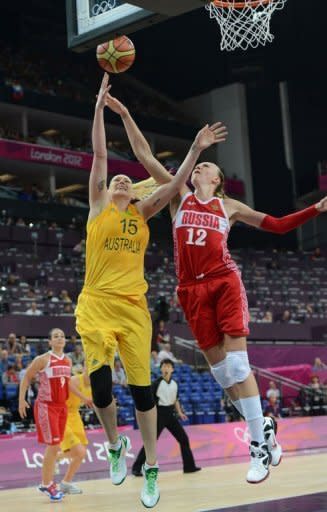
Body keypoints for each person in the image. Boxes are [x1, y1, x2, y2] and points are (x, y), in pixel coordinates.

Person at [105, 89, 327, 484]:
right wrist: (123, 113)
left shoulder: (229, 207)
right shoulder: (180, 197)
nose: (198, 168)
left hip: (224, 281)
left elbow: (275, 225)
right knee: (224, 376)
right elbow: (144, 155)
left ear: (217, 179)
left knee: (239, 364)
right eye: (198, 163)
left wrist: (315, 210)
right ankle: (266, 429)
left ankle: (258, 446)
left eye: (205, 165)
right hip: (190, 290)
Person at [74, 73, 223, 508]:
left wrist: (195, 151)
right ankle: (115, 444)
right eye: (115, 179)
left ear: (135, 192)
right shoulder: (98, 204)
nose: (121, 180)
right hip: (96, 304)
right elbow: (101, 153)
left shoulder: (143, 211)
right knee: (101, 387)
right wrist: (100, 106)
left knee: (142, 394)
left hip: (134, 309)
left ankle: (152, 468)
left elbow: (175, 184)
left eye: (126, 180)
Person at [18, 328, 71, 502]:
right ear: (49, 342)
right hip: (46, 407)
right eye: (56, 336)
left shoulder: (68, 360)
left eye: (62, 336)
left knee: (56, 447)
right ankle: (47, 483)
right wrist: (21, 400)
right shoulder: (42, 360)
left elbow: (66, 385)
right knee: (54, 446)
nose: (60, 338)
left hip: (62, 407)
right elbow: (26, 378)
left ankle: (47, 482)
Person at [132, 359, 201, 476]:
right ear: (160, 369)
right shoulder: (156, 384)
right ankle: (136, 468)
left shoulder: (175, 384)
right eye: (164, 366)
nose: (166, 368)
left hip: (170, 414)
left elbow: (176, 400)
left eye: (168, 366)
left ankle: (189, 467)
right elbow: (150, 402)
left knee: (183, 438)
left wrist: (179, 413)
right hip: (159, 414)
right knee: (151, 442)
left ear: (172, 369)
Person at [58, 368, 93, 494]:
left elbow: (93, 402)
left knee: (81, 453)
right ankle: (64, 481)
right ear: (85, 368)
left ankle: (65, 481)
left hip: (75, 415)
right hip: (62, 414)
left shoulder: (94, 384)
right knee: (79, 451)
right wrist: (84, 397)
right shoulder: (75, 379)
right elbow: (67, 384)